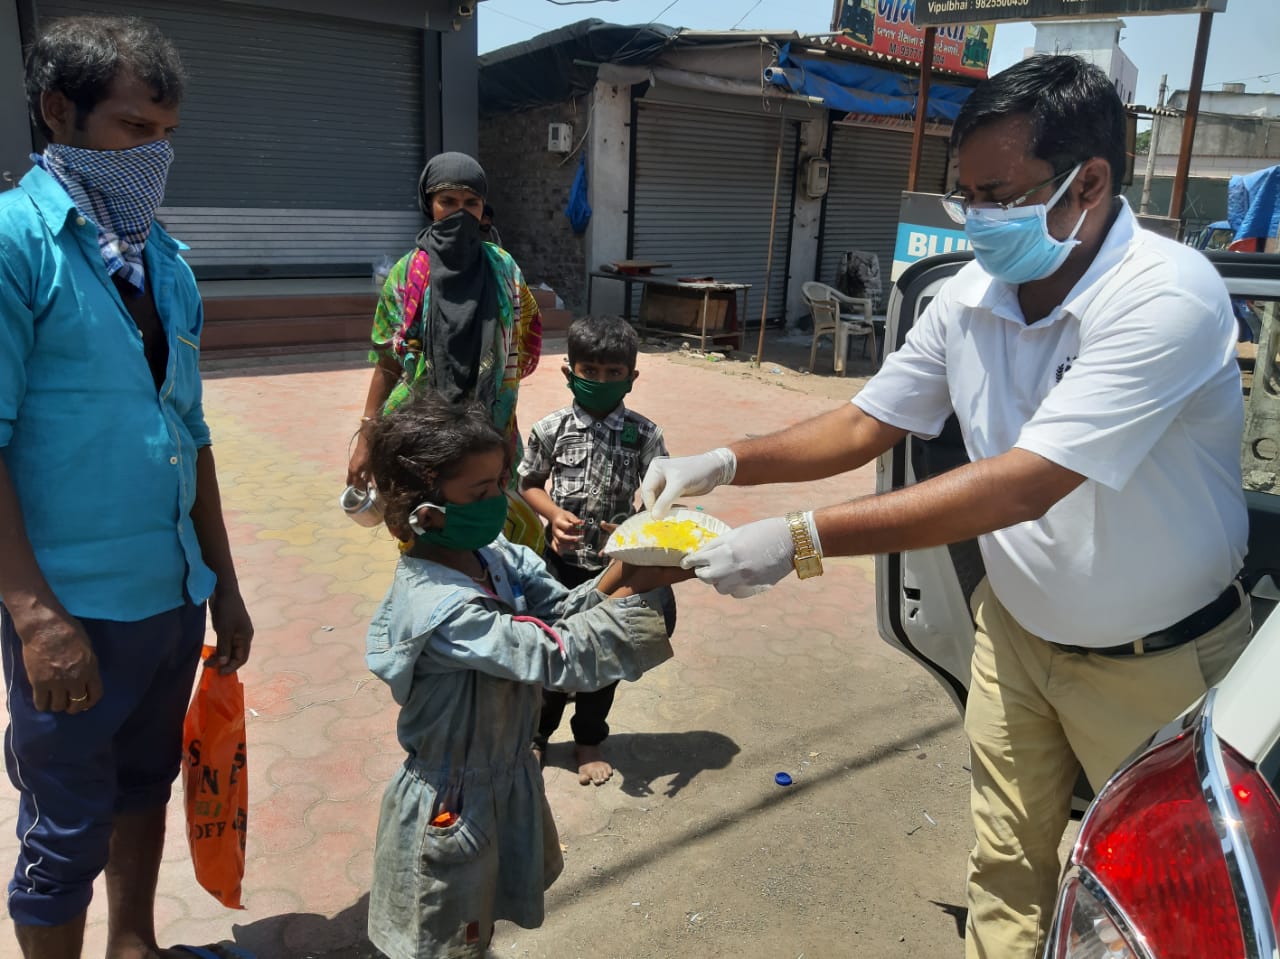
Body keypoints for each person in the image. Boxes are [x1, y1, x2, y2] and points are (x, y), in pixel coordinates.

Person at [641, 55, 1251, 959]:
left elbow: (1024, 480)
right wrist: (723, 462)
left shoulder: (1165, 297)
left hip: (1157, 661)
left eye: (998, 194)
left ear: (1089, 184)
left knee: (1175, 896)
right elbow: (865, 422)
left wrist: (800, 540)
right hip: (1017, 639)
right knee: (1004, 860)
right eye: (964, 194)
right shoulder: (969, 295)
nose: (976, 219)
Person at [0, 16, 254, 959]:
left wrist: (222, 580)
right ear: (58, 111)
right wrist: (33, 615)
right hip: (72, 610)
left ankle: (133, 945)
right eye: (134, 130)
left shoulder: (167, 262)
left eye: (166, 135)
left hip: (170, 597)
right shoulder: (13, 245)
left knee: (144, 784)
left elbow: (191, 433)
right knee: (64, 826)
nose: (156, 156)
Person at [361, 391, 685, 959]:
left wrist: (631, 562)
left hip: (503, 780)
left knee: (476, 922)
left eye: (501, 483)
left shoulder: (494, 556)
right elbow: (556, 654)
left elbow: (560, 613)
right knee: (440, 939)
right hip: (451, 801)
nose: (500, 501)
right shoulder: (442, 608)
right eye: (481, 492)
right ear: (426, 510)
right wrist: (650, 586)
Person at [346, 153, 545, 552]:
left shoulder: (503, 269)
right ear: (429, 206)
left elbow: (526, 342)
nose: (459, 212)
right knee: (426, 538)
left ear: (483, 209)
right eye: (447, 202)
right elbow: (387, 360)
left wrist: (490, 380)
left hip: (489, 432)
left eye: (470, 203)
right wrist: (367, 437)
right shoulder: (406, 275)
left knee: (495, 539)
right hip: (424, 438)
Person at [518, 315, 668, 785]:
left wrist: (636, 525)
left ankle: (588, 741)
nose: (601, 381)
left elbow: (663, 497)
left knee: (602, 664)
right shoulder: (550, 429)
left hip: (613, 575)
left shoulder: (646, 435)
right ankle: (536, 738)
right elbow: (529, 482)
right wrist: (552, 515)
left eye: (613, 373)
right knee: (551, 660)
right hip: (558, 570)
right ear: (570, 373)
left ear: (631, 377)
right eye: (590, 372)